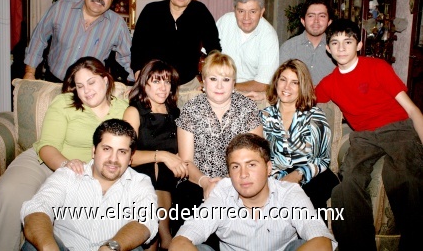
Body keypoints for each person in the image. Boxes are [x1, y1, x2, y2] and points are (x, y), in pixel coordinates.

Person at [0, 57, 129, 251]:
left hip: (87, 175)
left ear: (105, 80)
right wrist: (66, 164)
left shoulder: (124, 109)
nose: (86, 91)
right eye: (80, 86)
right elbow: (47, 146)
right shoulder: (64, 102)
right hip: (45, 161)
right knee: (10, 193)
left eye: (91, 82)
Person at [316, 19, 423, 250]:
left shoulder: (377, 67)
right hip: (363, 136)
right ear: (328, 49)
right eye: (335, 42)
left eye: (348, 41)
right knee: (346, 185)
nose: (341, 47)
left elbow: (413, 109)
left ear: (359, 44)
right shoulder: (328, 83)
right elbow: (301, 97)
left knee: (406, 177)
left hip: (397, 128)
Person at [170, 133, 337, 251]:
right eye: (236, 167)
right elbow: (180, 242)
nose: (243, 175)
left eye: (251, 164)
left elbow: (322, 242)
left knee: (303, 245)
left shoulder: (289, 193)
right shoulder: (222, 194)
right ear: (229, 173)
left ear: (268, 167)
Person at [20, 119, 158, 251]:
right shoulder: (69, 175)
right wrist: (48, 248)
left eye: (122, 152)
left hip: (113, 248)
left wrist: (111, 247)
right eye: (106, 149)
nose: (113, 159)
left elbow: (145, 222)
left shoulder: (140, 183)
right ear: (94, 151)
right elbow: (38, 208)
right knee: (33, 246)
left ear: (130, 158)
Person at [173, 52, 262, 241]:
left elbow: (257, 157)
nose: (219, 85)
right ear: (203, 82)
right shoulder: (191, 109)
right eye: (213, 79)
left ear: (233, 83)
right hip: (198, 180)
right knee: (186, 199)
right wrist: (206, 182)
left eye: (226, 79)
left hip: (239, 179)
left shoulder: (248, 108)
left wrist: (230, 182)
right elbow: (186, 161)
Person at [23, 0, 134, 83]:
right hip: (54, 82)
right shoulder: (60, 8)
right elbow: (39, 38)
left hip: (90, 90)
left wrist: (136, 86)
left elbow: (127, 58)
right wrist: (29, 73)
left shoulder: (118, 25)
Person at [260, 59, 339, 216]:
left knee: (309, 193)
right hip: (278, 174)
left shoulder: (315, 117)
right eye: (283, 80)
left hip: (315, 174)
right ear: (276, 82)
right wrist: (279, 180)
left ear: (302, 87)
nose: (287, 87)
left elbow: (322, 160)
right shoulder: (265, 117)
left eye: (294, 82)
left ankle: (317, 238)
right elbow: (261, 157)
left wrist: (298, 175)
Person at [123, 59, 188, 250]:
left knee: (164, 168)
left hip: (173, 179)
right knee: (155, 167)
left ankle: (160, 237)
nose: (163, 87)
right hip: (141, 173)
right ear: (144, 83)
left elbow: (183, 153)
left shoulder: (176, 114)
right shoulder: (134, 111)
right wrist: (162, 155)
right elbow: (127, 156)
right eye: (157, 81)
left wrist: (173, 159)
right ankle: (164, 236)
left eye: (167, 82)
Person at [130, 0, 221, 90]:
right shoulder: (151, 11)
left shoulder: (201, 12)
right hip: (154, 84)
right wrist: (139, 75)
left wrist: (210, 77)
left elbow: (214, 48)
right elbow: (137, 48)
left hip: (187, 86)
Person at [217, 0, 279, 95]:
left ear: (262, 12)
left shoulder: (269, 36)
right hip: (218, 88)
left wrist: (228, 87)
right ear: (234, 10)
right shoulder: (225, 21)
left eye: (253, 12)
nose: (246, 18)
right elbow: (206, 57)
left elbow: (263, 84)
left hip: (251, 94)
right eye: (241, 11)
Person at [279, 0, 335, 85]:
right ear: (303, 21)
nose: (316, 21)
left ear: (329, 21)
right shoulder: (288, 47)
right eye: (311, 16)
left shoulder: (337, 49)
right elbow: (280, 82)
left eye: (322, 16)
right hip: (295, 99)